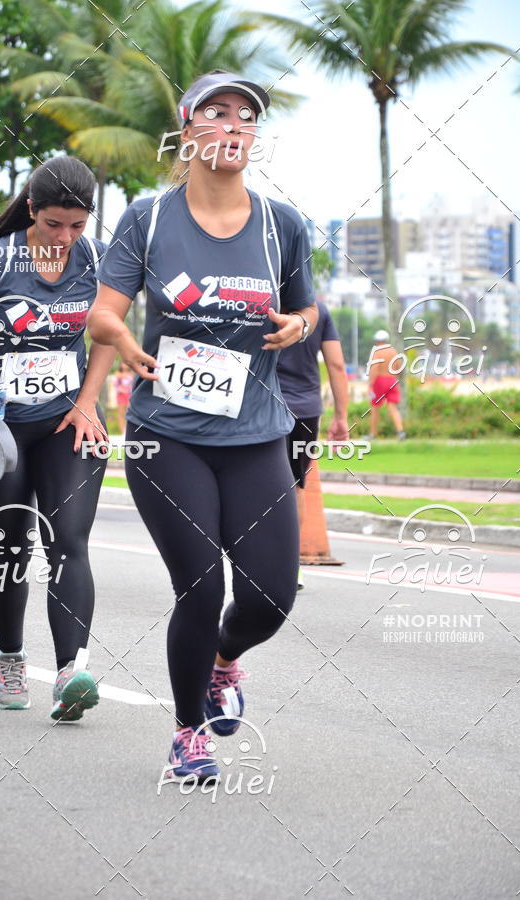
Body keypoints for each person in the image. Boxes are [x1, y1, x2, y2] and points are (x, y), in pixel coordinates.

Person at [88, 70, 318, 781]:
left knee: (271, 598)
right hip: (167, 436)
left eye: (246, 116)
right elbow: (103, 312)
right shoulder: (149, 218)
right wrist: (124, 342)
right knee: (199, 585)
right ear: (187, 129)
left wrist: (297, 325)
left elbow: (308, 308)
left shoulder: (281, 224)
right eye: (216, 112)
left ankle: (224, 662)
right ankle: (188, 734)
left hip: (256, 434)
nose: (233, 125)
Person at [0, 156, 114, 721]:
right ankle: (11, 659)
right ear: (32, 210)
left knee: (69, 541)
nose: (64, 237)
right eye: (54, 224)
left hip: (68, 422)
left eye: (77, 225)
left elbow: (107, 331)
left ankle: (70, 673)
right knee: (11, 548)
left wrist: (87, 401)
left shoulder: (97, 259)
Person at [277, 298, 349, 587]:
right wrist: (341, 417)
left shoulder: (264, 304)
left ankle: (256, 561)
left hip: (264, 407)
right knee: (296, 486)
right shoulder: (320, 311)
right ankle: (290, 567)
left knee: (256, 485)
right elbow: (337, 365)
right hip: (306, 411)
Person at [367, 329, 406, 439]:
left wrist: (370, 385)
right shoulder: (393, 351)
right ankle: (400, 432)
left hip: (379, 381)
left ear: (377, 341)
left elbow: (374, 368)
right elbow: (399, 367)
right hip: (392, 380)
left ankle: (373, 434)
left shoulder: (377, 352)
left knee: (375, 408)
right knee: (393, 407)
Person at [114, 361, 134, 433]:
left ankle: (128, 430)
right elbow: (115, 385)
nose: (125, 365)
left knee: (129, 413)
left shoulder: (131, 374)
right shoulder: (118, 374)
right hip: (121, 395)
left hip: (129, 395)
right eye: (123, 363)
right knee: (121, 413)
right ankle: (122, 431)